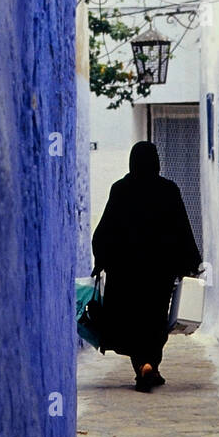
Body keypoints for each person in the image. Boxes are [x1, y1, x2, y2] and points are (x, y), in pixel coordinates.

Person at [91, 140, 202, 391]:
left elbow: (105, 230)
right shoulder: (168, 190)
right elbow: (182, 229)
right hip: (159, 273)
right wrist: (192, 261)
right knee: (154, 320)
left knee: (132, 320)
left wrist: (101, 260)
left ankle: (143, 367)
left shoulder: (120, 189)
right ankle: (151, 363)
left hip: (126, 273)